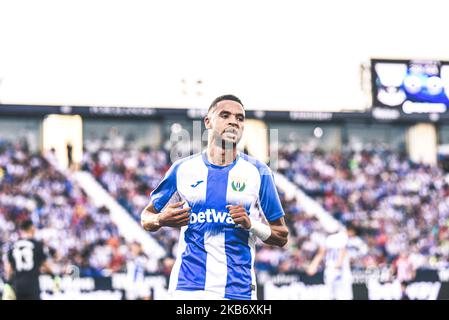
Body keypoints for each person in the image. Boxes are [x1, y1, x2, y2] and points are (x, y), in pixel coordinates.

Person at [140, 94, 289, 300]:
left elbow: (281, 235)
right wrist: (159, 219)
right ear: (208, 122)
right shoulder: (182, 169)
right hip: (188, 287)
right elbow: (146, 217)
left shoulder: (259, 171)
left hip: (238, 290)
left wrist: (251, 225)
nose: (233, 122)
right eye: (225, 115)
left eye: (240, 118)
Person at [3, 220, 53, 300]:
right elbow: (46, 265)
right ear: (31, 228)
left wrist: (8, 283)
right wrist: (53, 275)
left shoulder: (13, 246)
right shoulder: (37, 245)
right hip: (32, 286)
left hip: (18, 286)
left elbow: (9, 269)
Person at [306, 226, 353, 300]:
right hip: (340, 271)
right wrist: (339, 264)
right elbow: (343, 250)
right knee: (343, 296)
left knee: (331, 295)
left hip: (329, 270)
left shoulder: (328, 239)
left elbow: (321, 253)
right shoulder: (343, 236)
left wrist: (313, 266)